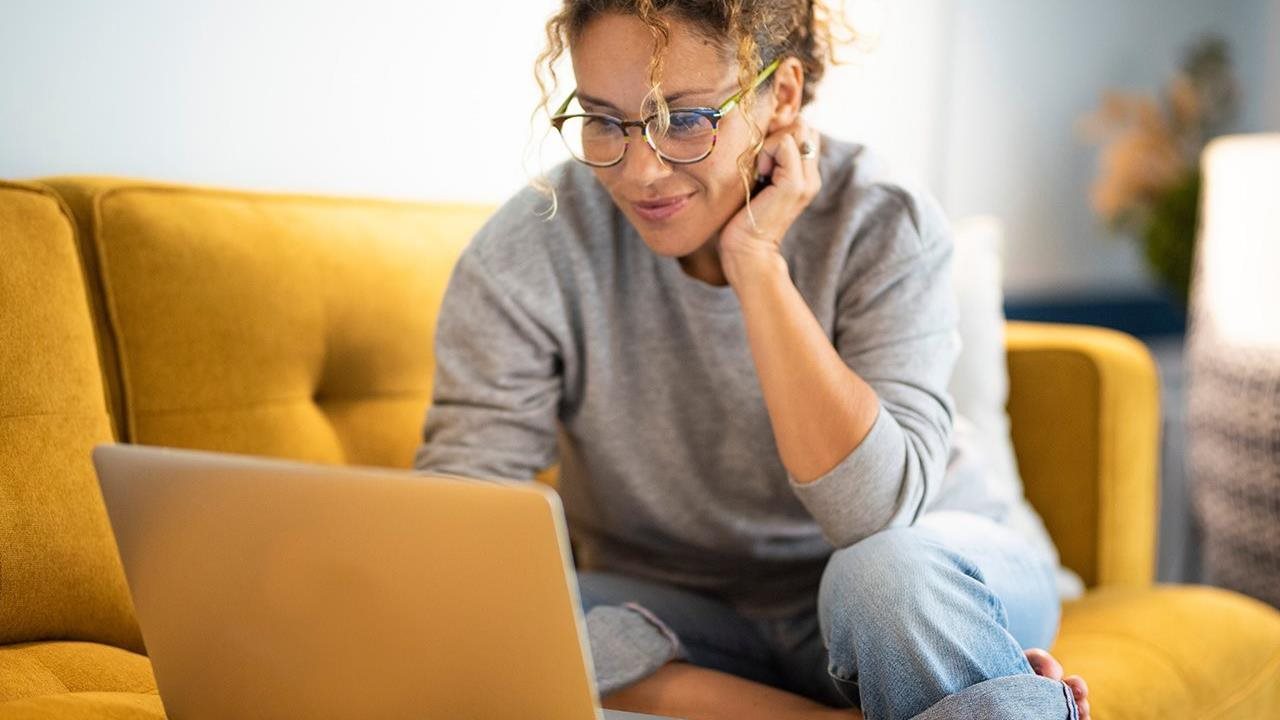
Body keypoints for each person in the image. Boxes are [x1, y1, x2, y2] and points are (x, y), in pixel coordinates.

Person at [414, 1, 1090, 718]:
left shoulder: (880, 219)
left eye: (686, 118)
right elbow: (464, 528)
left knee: (887, 579)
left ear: (784, 95)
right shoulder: (529, 250)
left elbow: (876, 516)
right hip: (682, 616)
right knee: (491, 612)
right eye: (605, 120)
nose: (641, 169)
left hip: (917, 574)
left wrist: (757, 263)